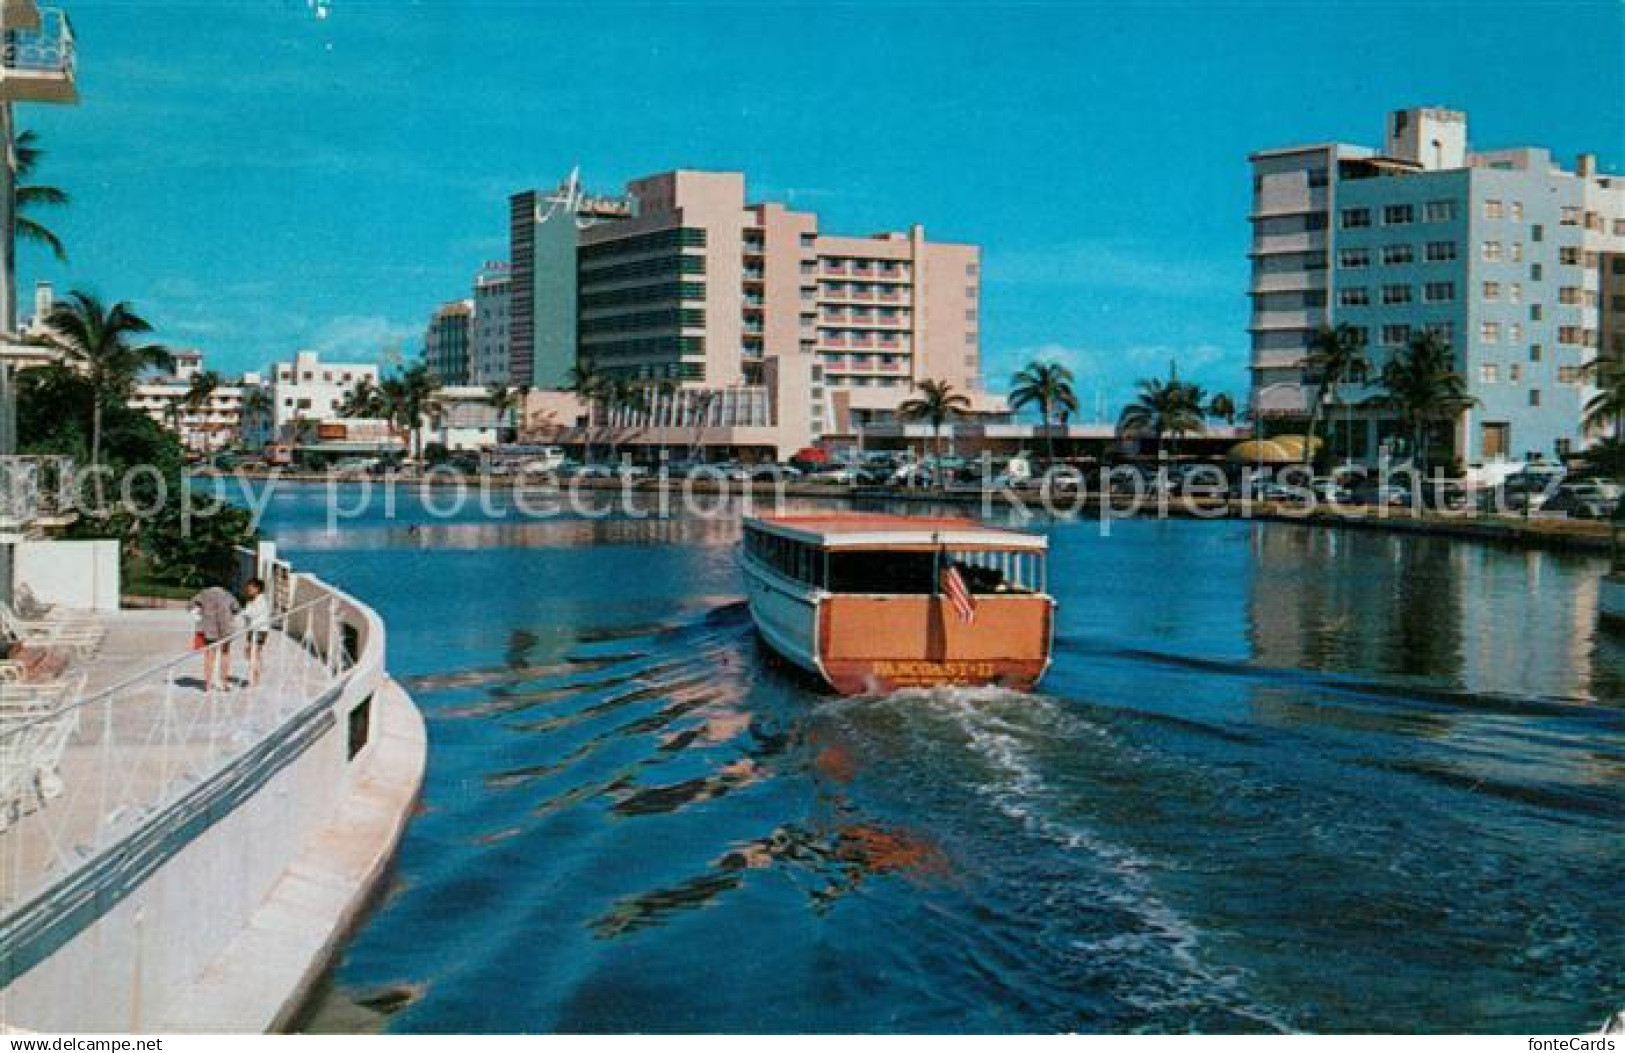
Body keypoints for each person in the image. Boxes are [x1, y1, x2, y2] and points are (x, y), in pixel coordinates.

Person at [190, 582, 241, 693]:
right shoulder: (228, 594)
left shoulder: (203, 594)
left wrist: (200, 615)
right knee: (225, 654)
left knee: (209, 656)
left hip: (209, 628)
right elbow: (236, 608)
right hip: (226, 628)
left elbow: (191, 606)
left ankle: (208, 685)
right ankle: (224, 682)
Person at [240, 577, 271, 687]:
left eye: (251, 587)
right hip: (252, 630)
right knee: (249, 652)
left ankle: (255, 679)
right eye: (248, 587)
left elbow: (252, 614)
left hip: (260, 630)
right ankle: (255, 675)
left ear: (257, 589)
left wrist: (244, 613)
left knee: (254, 652)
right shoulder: (252, 600)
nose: (248, 589)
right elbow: (247, 614)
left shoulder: (261, 600)